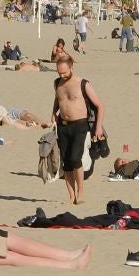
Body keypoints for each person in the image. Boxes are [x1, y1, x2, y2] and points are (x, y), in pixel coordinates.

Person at [51, 58, 104, 207]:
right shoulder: (57, 83)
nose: (62, 76)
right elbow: (58, 99)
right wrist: (53, 113)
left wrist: (98, 127)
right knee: (66, 163)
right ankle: (71, 196)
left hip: (79, 125)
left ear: (71, 68)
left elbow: (100, 106)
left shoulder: (83, 84)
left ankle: (81, 191)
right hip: (63, 126)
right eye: (59, 72)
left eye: (64, 73)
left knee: (75, 158)